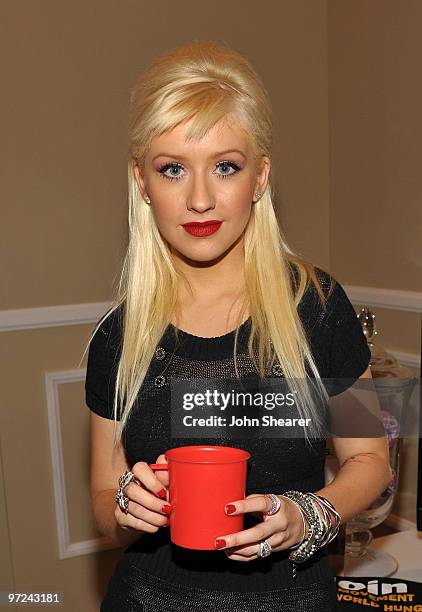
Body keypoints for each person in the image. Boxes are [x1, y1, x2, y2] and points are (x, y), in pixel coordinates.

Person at [83, 40, 392, 612]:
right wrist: (127, 507)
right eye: (172, 169)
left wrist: (310, 515)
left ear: (260, 177)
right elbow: (105, 494)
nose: (200, 198)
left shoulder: (320, 308)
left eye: (226, 166)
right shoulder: (116, 337)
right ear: (142, 183)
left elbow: (370, 458)